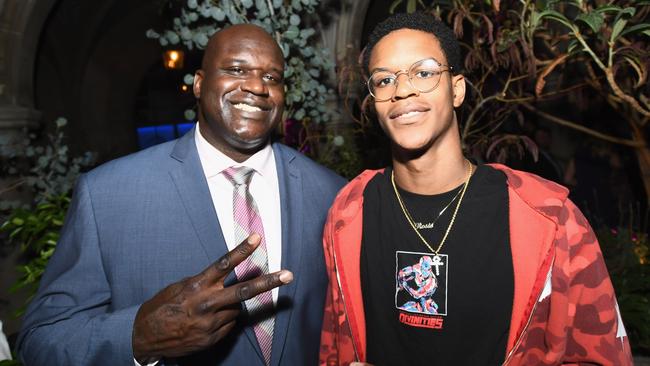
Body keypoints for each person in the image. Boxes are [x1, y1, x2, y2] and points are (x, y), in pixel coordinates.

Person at [17, 24, 345, 366]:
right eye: (236, 70)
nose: (256, 87)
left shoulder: (331, 194)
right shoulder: (108, 196)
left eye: (272, 77)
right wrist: (140, 337)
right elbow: (41, 340)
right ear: (200, 84)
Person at [319, 12, 632, 366]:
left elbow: (601, 357)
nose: (402, 90)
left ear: (457, 89)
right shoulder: (349, 214)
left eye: (424, 72)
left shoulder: (548, 218)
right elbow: (334, 348)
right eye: (384, 79)